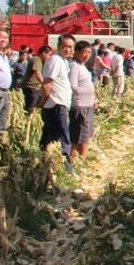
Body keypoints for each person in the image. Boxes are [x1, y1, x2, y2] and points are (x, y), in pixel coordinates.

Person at [40, 34, 75, 170]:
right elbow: (47, 83)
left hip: (60, 104)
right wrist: (43, 101)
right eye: (65, 46)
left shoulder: (63, 61)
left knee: (51, 137)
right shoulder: (55, 60)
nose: (68, 49)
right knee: (63, 137)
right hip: (56, 104)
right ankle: (66, 168)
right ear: (58, 46)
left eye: (70, 47)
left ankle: (47, 164)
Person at [68, 41, 97, 162]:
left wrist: (93, 97)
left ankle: (80, 159)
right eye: (84, 52)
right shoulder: (74, 66)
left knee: (85, 134)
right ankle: (76, 160)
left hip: (87, 104)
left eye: (89, 52)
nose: (87, 55)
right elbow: (73, 86)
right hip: (80, 105)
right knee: (79, 136)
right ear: (76, 52)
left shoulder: (81, 65)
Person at [23, 46, 50, 114]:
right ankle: (28, 118)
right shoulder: (37, 59)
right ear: (44, 53)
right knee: (31, 107)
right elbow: (37, 72)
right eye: (49, 54)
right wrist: (44, 84)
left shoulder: (38, 60)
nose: (49, 57)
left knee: (34, 105)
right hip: (32, 87)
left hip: (34, 87)